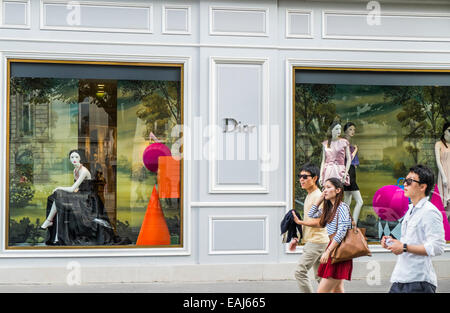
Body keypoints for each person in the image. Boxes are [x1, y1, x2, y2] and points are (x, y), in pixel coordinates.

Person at [381, 164, 446, 293]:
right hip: (401, 277)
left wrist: (404, 247)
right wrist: (394, 244)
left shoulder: (429, 212)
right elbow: (410, 242)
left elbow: (438, 247)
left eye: (410, 181)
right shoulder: (410, 209)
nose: (405, 184)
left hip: (418, 281)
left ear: (422, 186)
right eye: (405, 180)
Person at [41, 149, 117, 246]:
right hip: (80, 195)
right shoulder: (75, 170)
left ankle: (49, 221)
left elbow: (73, 189)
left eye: (76, 157)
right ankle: (52, 227)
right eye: (72, 157)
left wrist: (59, 187)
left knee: (58, 193)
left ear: (80, 158)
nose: (74, 159)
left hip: (88, 199)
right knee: (55, 197)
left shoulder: (83, 171)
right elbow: (76, 189)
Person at [293, 177, 352, 293]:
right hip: (335, 248)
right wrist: (320, 198)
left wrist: (328, 251)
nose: (325, 190)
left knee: (322, 290)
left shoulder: (342, 207)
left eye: (328, 187)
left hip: (339, 250)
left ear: (338, 190)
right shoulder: (329, 209)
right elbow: (311, 214)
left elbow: (342, 231)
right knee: (337, 289)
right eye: (324, 188)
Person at [292, 163, 329, 293]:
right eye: (300, 176)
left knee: (300, 272)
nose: (301, 179)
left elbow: (320, 222)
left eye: (305, 176)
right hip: (316, 241)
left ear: (314, 178)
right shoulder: (310, 195)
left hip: (317, 242)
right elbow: (309, 221)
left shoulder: (319, 196)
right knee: (321, 277)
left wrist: (300, 222)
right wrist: (298, 238)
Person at [343, 122, 363, 224]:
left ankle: (345, 223)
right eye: (350, 129)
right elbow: (349, 157)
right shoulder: (345, 142)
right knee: (359, 201)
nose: (353, 132)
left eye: (353, 130)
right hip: (349, 173)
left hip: (349, 172)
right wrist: (356, 150)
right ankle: (353, 223)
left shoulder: (347, 142)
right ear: (345, 130)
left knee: (347, 200)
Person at [319, 121, 351, 187]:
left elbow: (349, 159)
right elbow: (323, 161)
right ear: (331, 130)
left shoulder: (344, 142)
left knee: (338, 191)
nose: (339, 130)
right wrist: (321, 176)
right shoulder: (325, 144)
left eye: (340, 128)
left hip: (339, 170)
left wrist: (345, 173)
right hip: (328, 170)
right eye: (336, 129)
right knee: (328, 191)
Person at [435, 122, 450, 218]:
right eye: (449, 130)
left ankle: (448, 224)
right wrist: (444, 176)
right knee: (443, 198)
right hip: (443, 172)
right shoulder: (438, 144)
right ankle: (443, 222)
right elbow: (438, 161)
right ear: (444, 131)